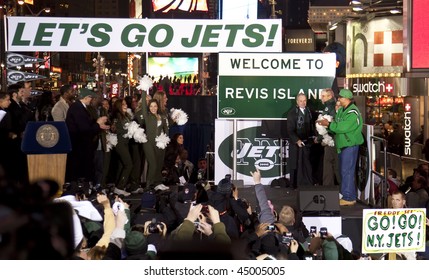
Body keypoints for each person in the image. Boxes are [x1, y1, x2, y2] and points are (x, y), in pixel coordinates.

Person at [317, 89, 363, 206]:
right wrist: (327, 125)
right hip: (343, 145)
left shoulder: (353, 112)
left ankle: (348, 197)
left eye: (340, 98)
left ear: (347, 98)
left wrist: (329, 124)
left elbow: (342, 127)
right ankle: (348, 195)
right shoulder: (342, 110)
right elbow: (336, 124)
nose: (338, 99)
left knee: (347, 171)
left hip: (350, 145)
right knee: (344, 171)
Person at [65, 88, 110, 183]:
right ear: (85, 97)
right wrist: (98, 124)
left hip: (82, 146)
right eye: (90, 97)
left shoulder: (80, 107)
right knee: (80, 171)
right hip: (79, 146)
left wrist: (98, 125)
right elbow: (85, 129)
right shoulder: (77, 108)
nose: (91, 99)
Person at [141, 93, 169, 190]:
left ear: (157, 107)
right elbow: (144, 106)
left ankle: (158, 183)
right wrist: (144, 90)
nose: (153, 108)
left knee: (159, 163)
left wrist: (165, 139)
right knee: (153, 164)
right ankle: (148, 186)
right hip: (148, 143)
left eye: (155, 106)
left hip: (159, 143)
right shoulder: (147, 116)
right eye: (151, 106)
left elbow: (166, 129)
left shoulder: (161, 117)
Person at [286, 93, 315, 188]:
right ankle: (294, 185)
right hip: (295, 143)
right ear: (297, 102)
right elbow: (290, 130)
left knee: (307, 163)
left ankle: (307, 183)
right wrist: (297, 140)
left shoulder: (309, 111)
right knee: (295, 164)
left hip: (307, 143)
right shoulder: (292, 113)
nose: (303, 103)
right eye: (301, 101)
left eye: (305, 100)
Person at [315, 88, 341, 187]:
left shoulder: (331, 108)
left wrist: (320, 138)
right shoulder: (327, 107)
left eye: (323, 96)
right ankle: (328, 190)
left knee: (334, 167)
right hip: (329, 140)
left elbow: (329, 125)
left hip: (333, 141)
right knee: (329, 167)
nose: (321, 98)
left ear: (330, 96)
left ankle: (344, 191)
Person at [110, 98, 134, 196]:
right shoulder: (116, 116)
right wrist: (129, 131)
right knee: (129, 164)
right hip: (119, 143)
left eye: (126, 104)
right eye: (123, 104)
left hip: (125, 143)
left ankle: (119, 186)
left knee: (122, 165)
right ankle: (119, 187)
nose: (125, 105)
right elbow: (115, 130)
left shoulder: (126, 115)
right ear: (119, 106)